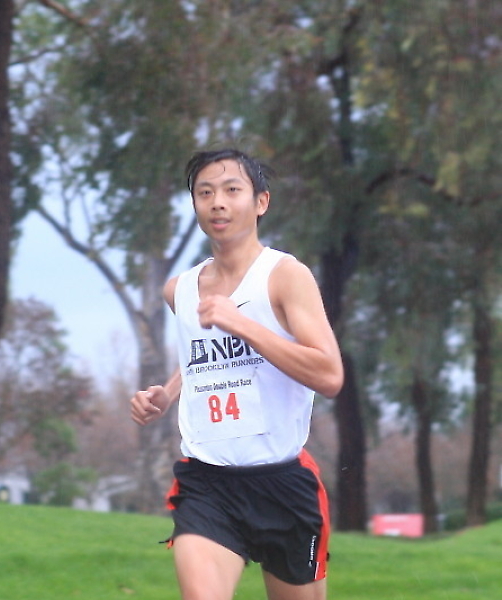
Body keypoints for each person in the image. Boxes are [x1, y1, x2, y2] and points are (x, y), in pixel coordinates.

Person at [130, 148, 344, 600]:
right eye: (205, 193)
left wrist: (241, 323)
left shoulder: (285, 276)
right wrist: (168, 393)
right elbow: (205, 355)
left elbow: (329, 375)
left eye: (232, 190)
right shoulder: (180, 290)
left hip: (283, 483)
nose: (218, 203)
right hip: (207, 483)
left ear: (261, 202)